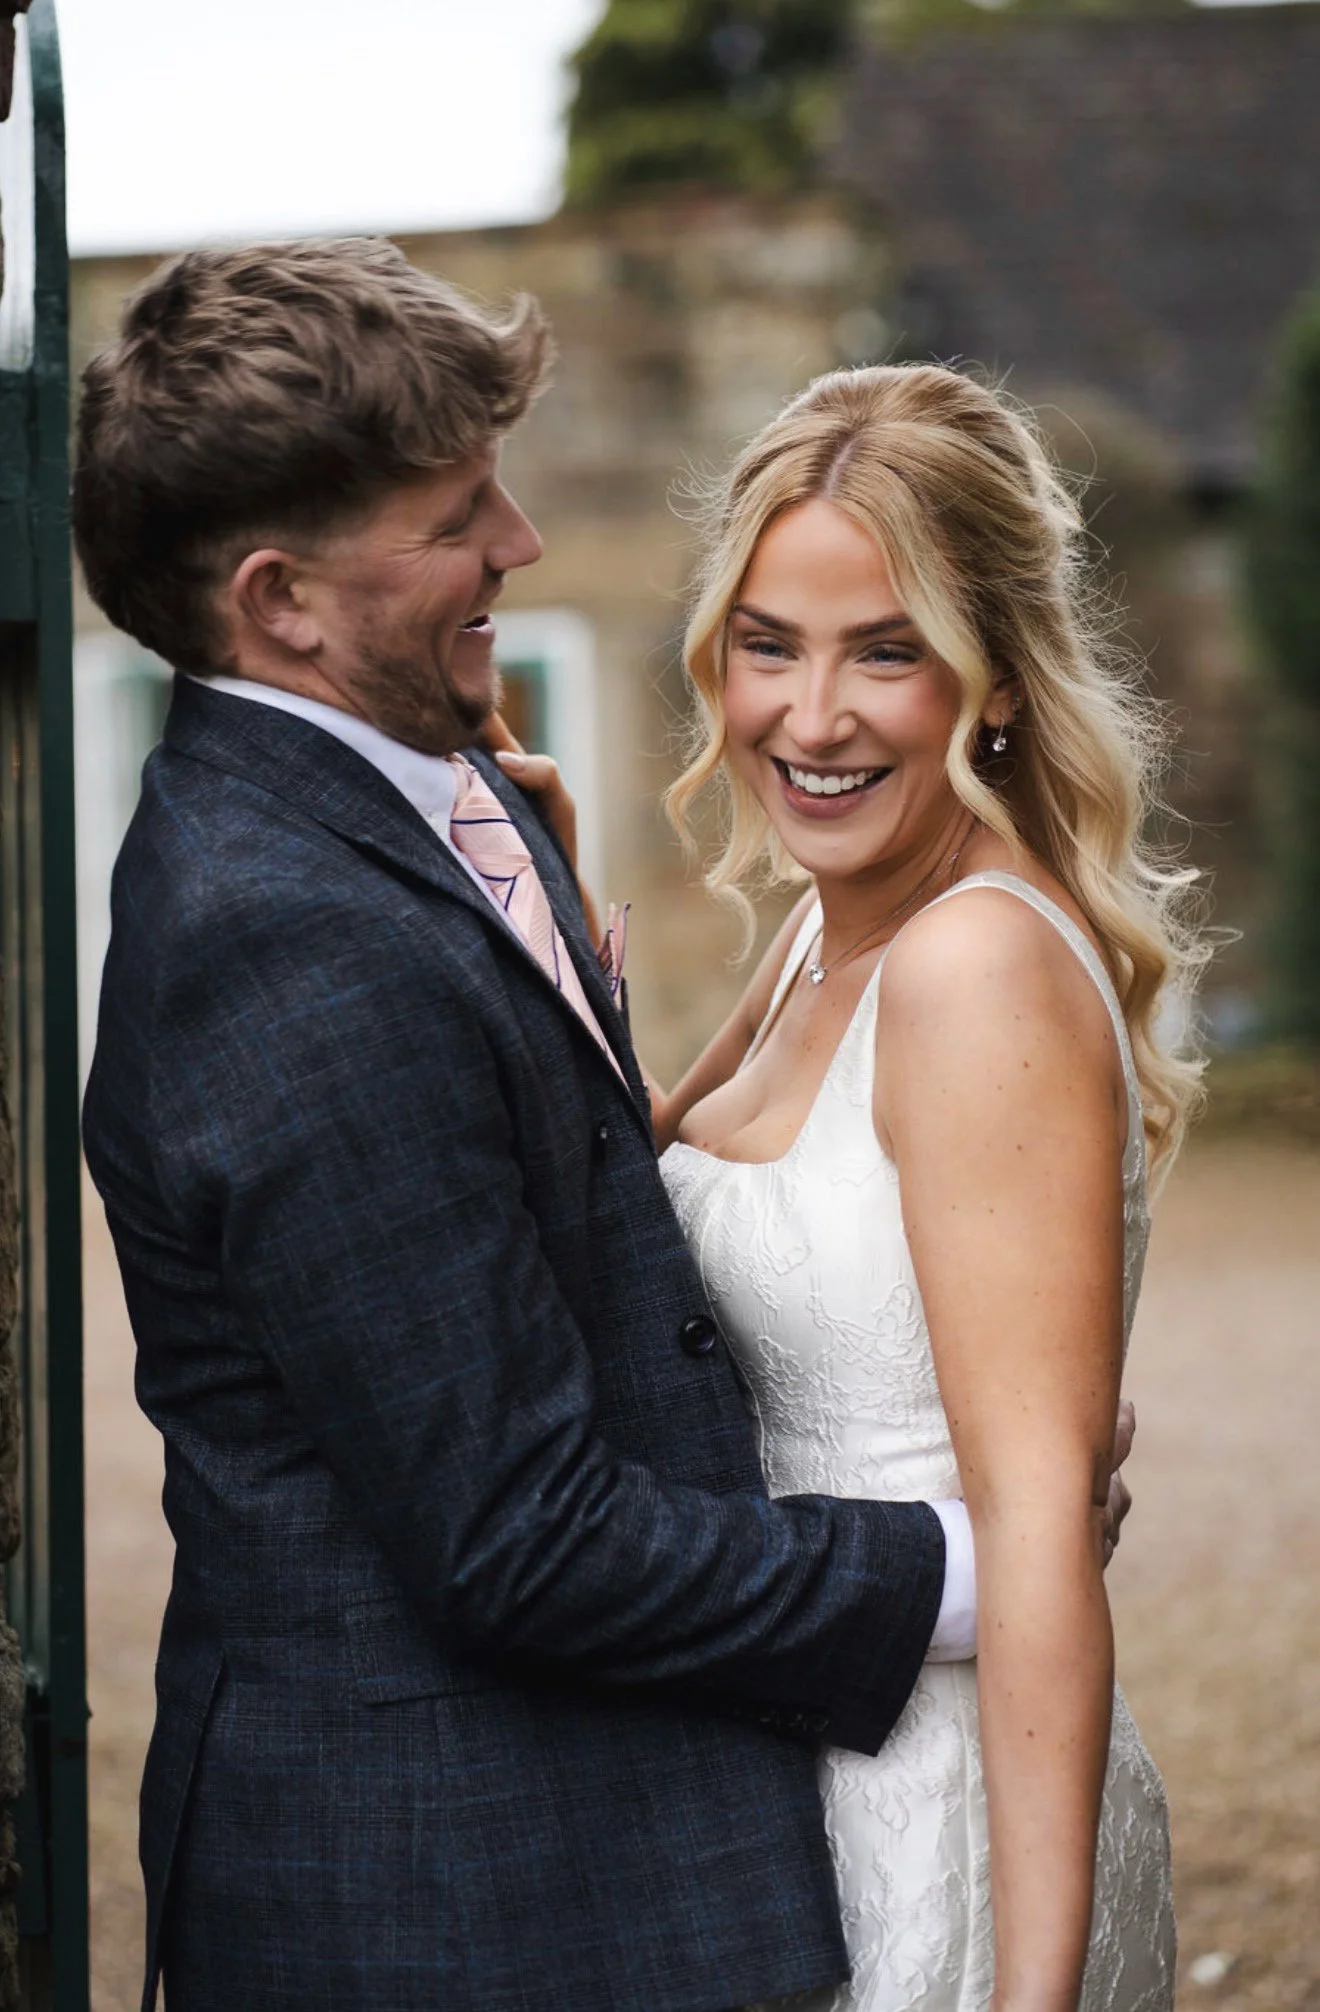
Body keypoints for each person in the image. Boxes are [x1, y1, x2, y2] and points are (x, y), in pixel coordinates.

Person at [75, 240, 1132, 2012]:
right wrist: (981, 1557)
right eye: (454, 511)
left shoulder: (461, 794)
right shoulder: (284, 939)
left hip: (799, 1818)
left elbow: (591, 1203)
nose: (520, 540)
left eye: (886, 649)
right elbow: (515, 1536)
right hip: (454, 1898)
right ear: (281, 602)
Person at [650, 362, 1200, 2010]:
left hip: (935, 1809)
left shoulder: (970, 966)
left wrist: (1023, 1990)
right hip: (795, 1774)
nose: (811, 720)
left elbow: (1039, 1531)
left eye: (887, 652)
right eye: (770, 645)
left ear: (1000, 681)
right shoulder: (832, 922)